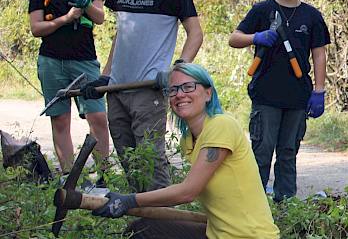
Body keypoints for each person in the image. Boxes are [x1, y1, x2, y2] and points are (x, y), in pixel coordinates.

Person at [80, 0, 203, 192]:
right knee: (129, 159)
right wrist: (105, 76)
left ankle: (166, 225)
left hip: (150, 88)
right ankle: (143, 221)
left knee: (150, 159)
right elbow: (122, 34)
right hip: (117, 88)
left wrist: (176, 71)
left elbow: (195, 33)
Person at [92, 63, 280, 239]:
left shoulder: (222, 125)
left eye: (188, 87)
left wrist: (130, 200)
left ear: (208, 93)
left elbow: (188, 191)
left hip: (250, 235)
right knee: (143, 229)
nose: (179, 94)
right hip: (216, 233)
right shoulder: (187, 140)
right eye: (173, 90)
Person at [228, 0, 330, 201]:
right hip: (265, 94)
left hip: (297, 95)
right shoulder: (261, 11)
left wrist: (319, 91)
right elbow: (234, 39)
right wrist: (256, 37)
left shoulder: (311, 16)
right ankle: (253, 204)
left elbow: (319, 54)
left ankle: (286, 204)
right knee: (262, 150)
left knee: (288, 151)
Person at [27, 0, 110, 179]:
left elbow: (100, 17)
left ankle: (103, 174)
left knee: (97, 116)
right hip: (52, 61)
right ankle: (69, 177)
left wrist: (86, 5)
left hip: (84, 60)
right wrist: (65, 19)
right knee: (60, 120)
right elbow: (36, 28)